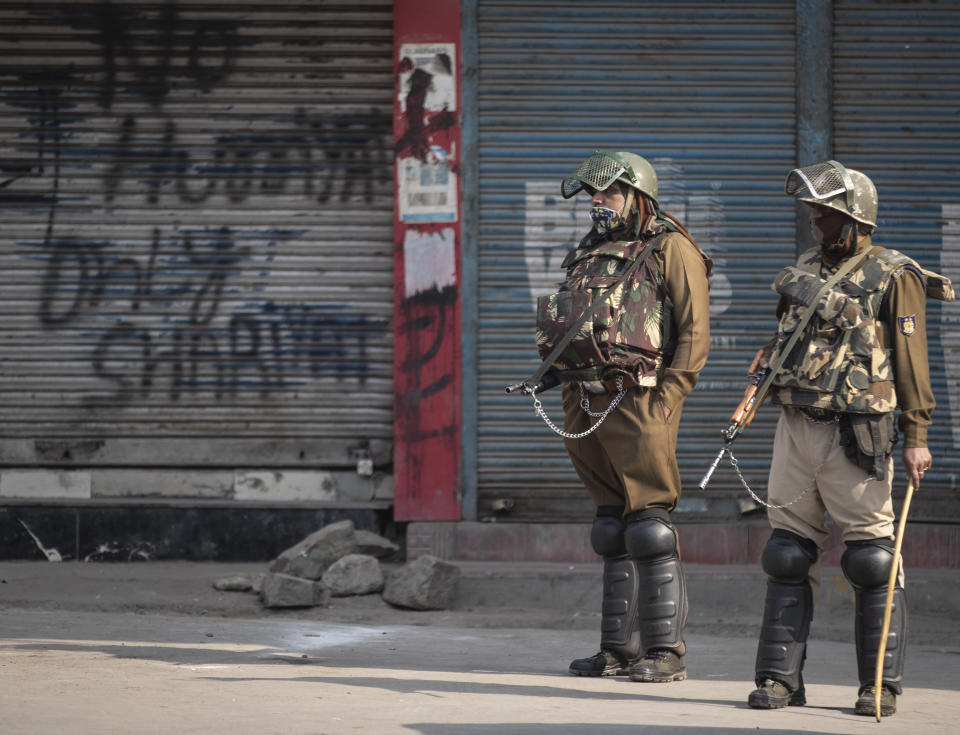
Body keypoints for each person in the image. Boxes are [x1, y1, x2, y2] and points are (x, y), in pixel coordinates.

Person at [745, 160, 952, 716]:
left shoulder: (894, 274)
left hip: (858, 433)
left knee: (872, 561)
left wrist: (917, 435)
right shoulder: (807, 266)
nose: (815, 221)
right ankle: (780, 680)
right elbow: (788, 337)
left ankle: (878, 685)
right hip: (796, 427)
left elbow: (912, 363)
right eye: (814, 211)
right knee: (786, 553)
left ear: (855, 220)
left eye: (826, 213)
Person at [532, 151, 712, 683]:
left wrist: (668, 398)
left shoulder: (671, 247)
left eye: (608, 192)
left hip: (637, 401)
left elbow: (694, 333)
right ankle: (618, 649)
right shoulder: (589, 251)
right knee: (611, 527)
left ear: (639, 196)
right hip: (582, 400)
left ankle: (666, 652)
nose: (597, 202)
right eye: (593, 194)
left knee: (650, 526)